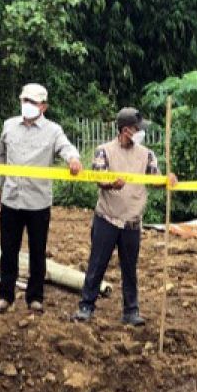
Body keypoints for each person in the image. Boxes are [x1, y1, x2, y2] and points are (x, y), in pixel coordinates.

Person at [73, 107, 172, 325]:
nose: (140, 133)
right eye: (137, 129)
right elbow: (97, 176)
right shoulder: (104, 151)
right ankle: (86, 306)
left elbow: (156, 180)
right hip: (107, 218)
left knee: (130, 268)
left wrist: (168, 180)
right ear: (126, 130)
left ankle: (130, 311)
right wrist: (110, 183)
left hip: (132, 222)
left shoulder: (147, 155)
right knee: (97, 264)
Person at [0, 83, 82, 314]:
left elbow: (66, 148)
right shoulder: (9, 126)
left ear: (44, 106)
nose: (28, 106)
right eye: (25, 101)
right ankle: (5, 296)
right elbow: (0, 156)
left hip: (38, 203)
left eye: (33, 102)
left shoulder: (53, 131)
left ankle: (35, 297)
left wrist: (73, 160)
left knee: (37, 252)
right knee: (8, 251)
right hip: (11, 199)